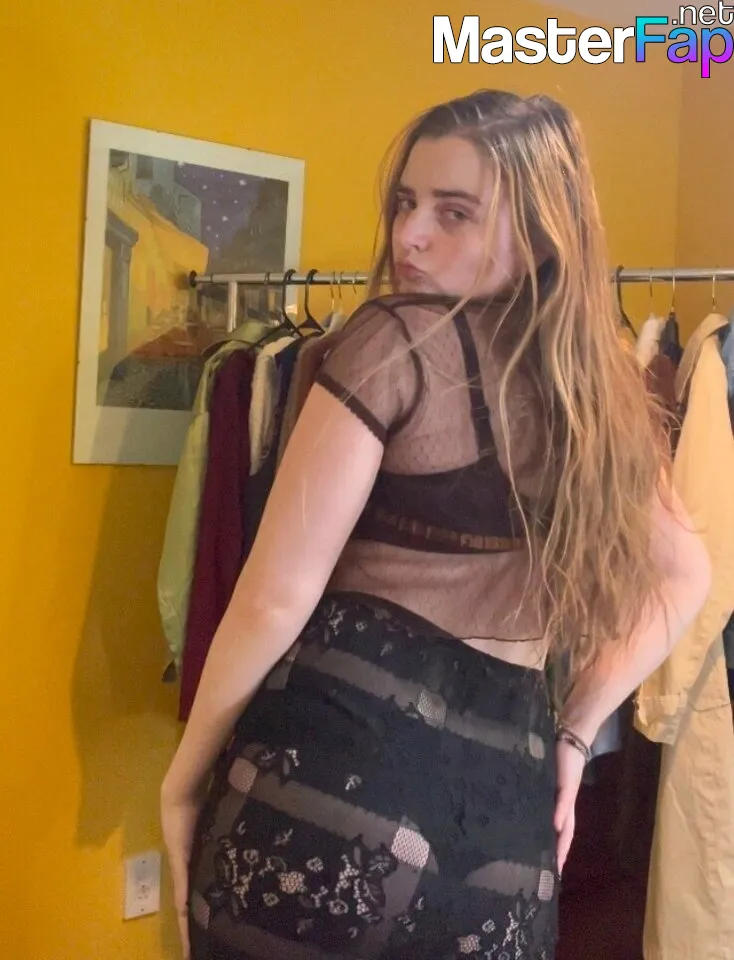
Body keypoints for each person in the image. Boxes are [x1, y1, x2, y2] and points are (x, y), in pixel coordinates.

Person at [161, 90, 711, 959]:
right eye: (404, 203)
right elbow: (687, 575)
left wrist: (183, 780)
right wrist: (574, 733)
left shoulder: (395, 340)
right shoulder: (600, 391)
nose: (409, 236)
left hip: (331, 793)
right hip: (506, 833)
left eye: (454, 212)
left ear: (540, 236)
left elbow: (275, 595)